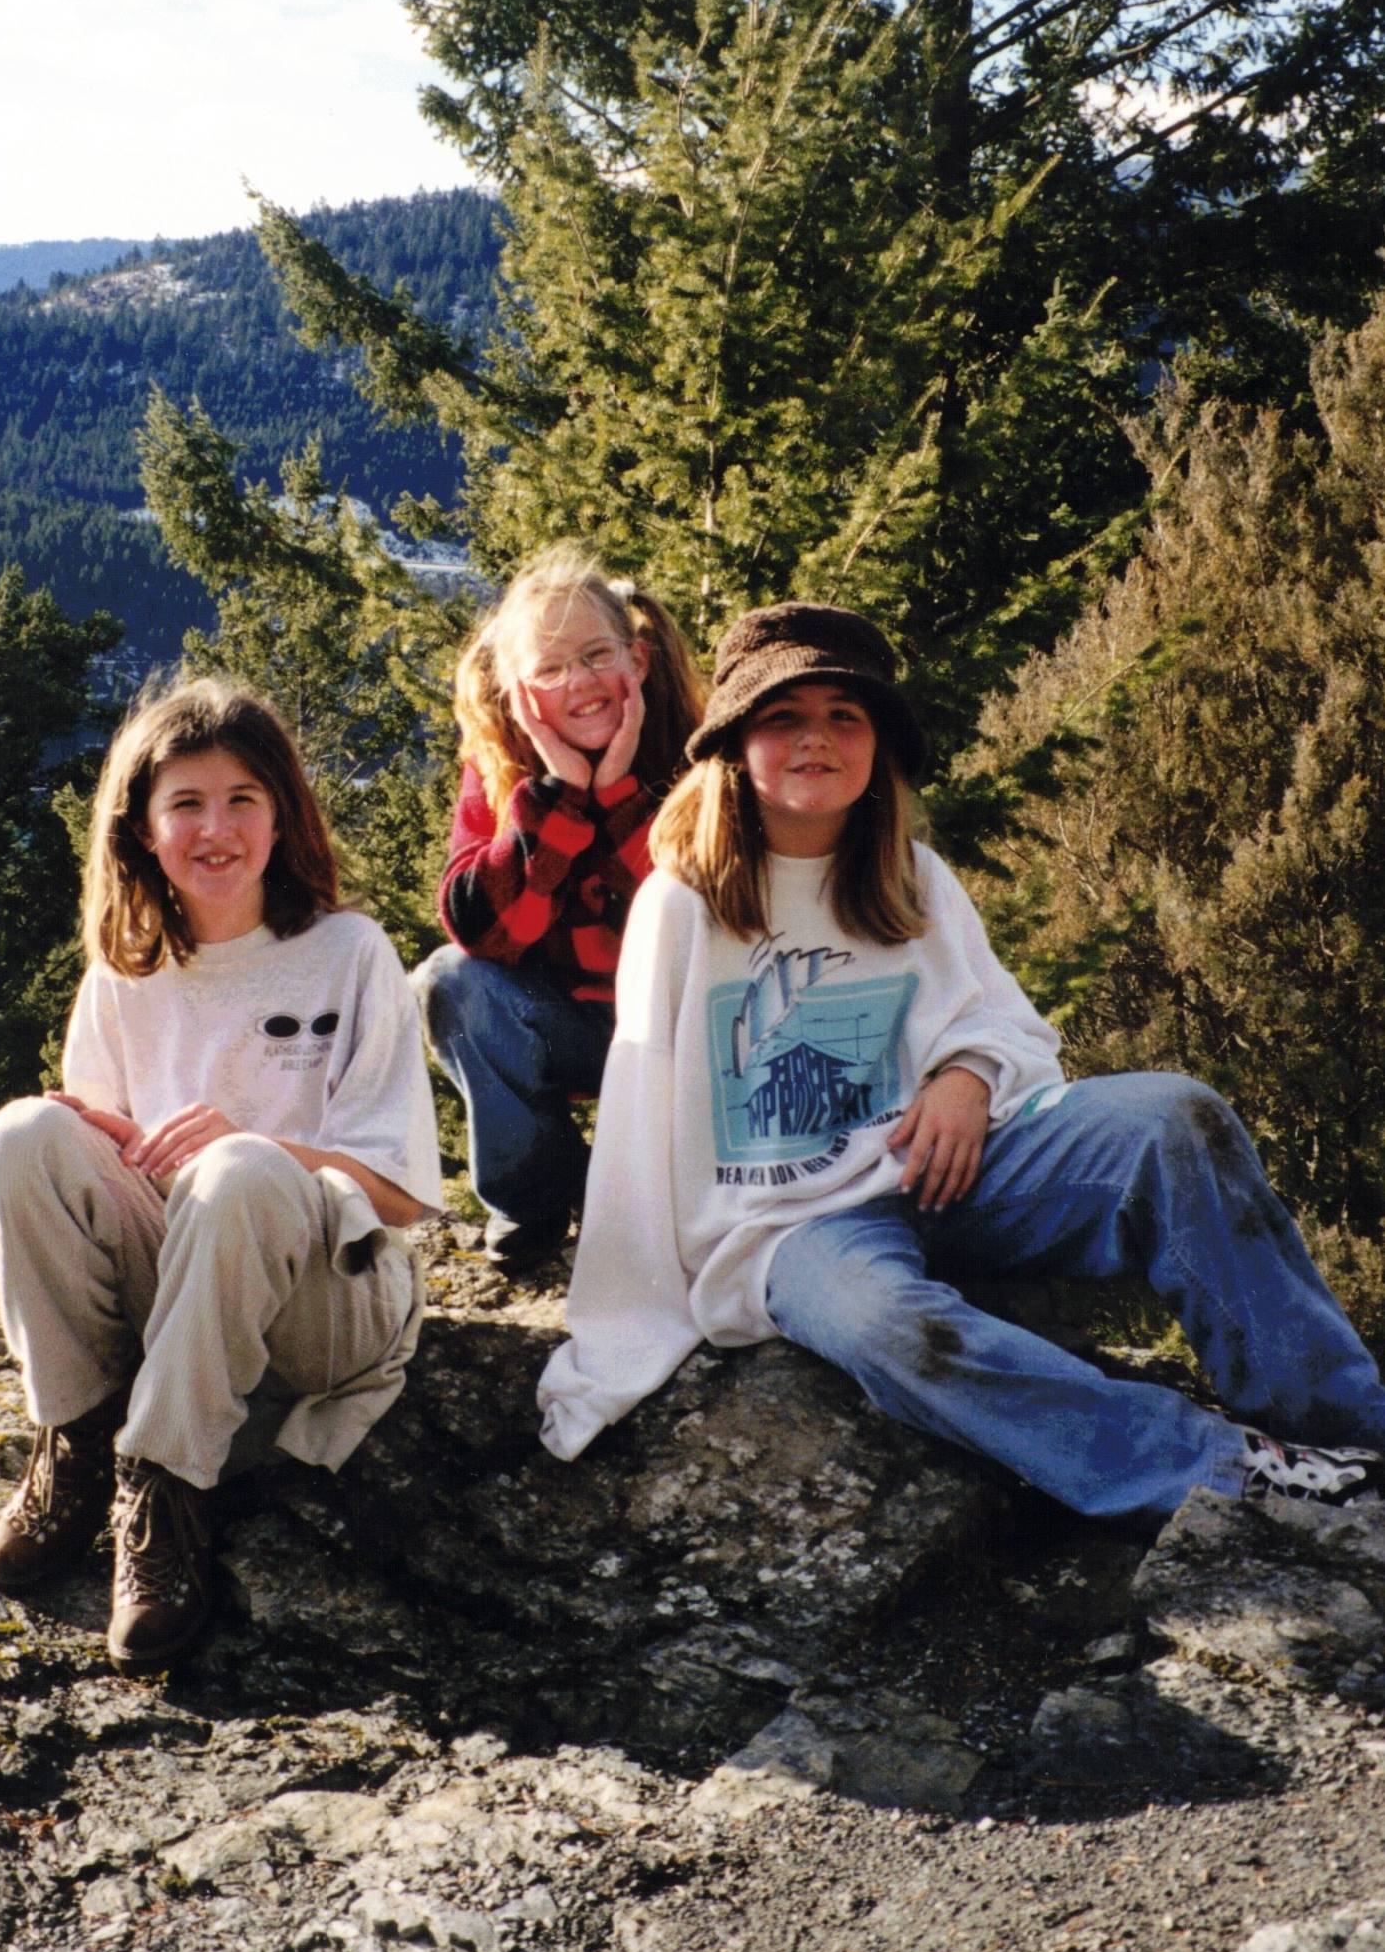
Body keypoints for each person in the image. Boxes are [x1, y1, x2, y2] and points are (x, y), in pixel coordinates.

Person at [538, 602, 1385, 1521]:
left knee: (1173, 1117)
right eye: (783, 717)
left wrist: (967, 1076)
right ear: (736, 745)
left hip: (949, 1173)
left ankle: (1343, 1430)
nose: (816, 739)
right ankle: (1224, 1468)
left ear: (878, 747)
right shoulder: (684, 903)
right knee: (886, 1326)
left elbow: (1003, 1025)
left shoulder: (911, 875)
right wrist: (630, 1317)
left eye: (844, 715)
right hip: (789, 1228)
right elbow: (636, 1101)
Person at [0, 677, 443, 1674]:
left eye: (243, 799)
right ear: (142, 829)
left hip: (328, 1304)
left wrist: (260, 1147)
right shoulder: (123, 975)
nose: (215, 826)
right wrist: (97, 1146)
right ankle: (83, 1433)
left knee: (236, 1167)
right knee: (18, 1137)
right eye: (185, 803)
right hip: (183, 1298)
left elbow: (399, 1194)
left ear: (282, 818)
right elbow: (97, 1185)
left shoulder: (346, 953)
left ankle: (165, 1481)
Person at [415, 544, 704, 1272]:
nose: (579, 682)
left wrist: (616, 798)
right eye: (548, 668)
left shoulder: (698, 758)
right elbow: (483, 935)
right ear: (516, 693)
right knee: (449, 982)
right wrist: (559, 802)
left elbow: (695, 916)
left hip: (684, 1033)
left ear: (637, 661)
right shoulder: (498, 772)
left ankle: (652, 1193)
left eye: (595, 654)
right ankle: (536, 1197)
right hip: (565, 1025)